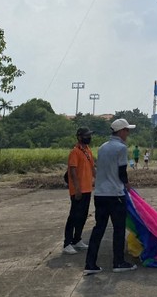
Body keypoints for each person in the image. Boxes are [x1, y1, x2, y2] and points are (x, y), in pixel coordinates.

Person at [83, 118, 138, 275]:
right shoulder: (121, 148)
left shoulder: (102, 147)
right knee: (119, 229)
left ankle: (90, 263)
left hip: (100, 194)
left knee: (98, 228)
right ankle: (118, 262)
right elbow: (122, 172)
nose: (128, 133)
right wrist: (127, 185)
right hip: (115, 195)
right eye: (127, 130)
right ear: (121, 131)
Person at [62, 127, 95, 255]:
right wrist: (77, 189)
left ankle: (77, 239)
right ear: (80, 137)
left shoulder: (87, 151)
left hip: (87, 188)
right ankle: (67, 242)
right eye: (87, 135)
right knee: (74, 216)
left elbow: (93, 168)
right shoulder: (75, 152)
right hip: (78, 190)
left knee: (83, 215)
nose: (89, 137)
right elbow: (73, 171)